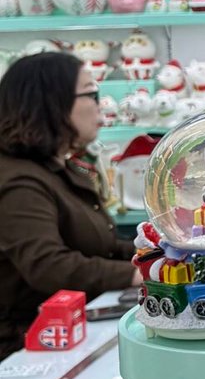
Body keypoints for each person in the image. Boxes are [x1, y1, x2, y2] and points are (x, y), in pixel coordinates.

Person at [0, 51, 135, 354]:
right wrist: (137, 273)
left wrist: (155, 253)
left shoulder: (56, 168)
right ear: (52, 103)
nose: (99, 105)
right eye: (91, 93)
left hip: (69, 332)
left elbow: (102, 247)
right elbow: (49, 266)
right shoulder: (19, 182)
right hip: (26, 348)